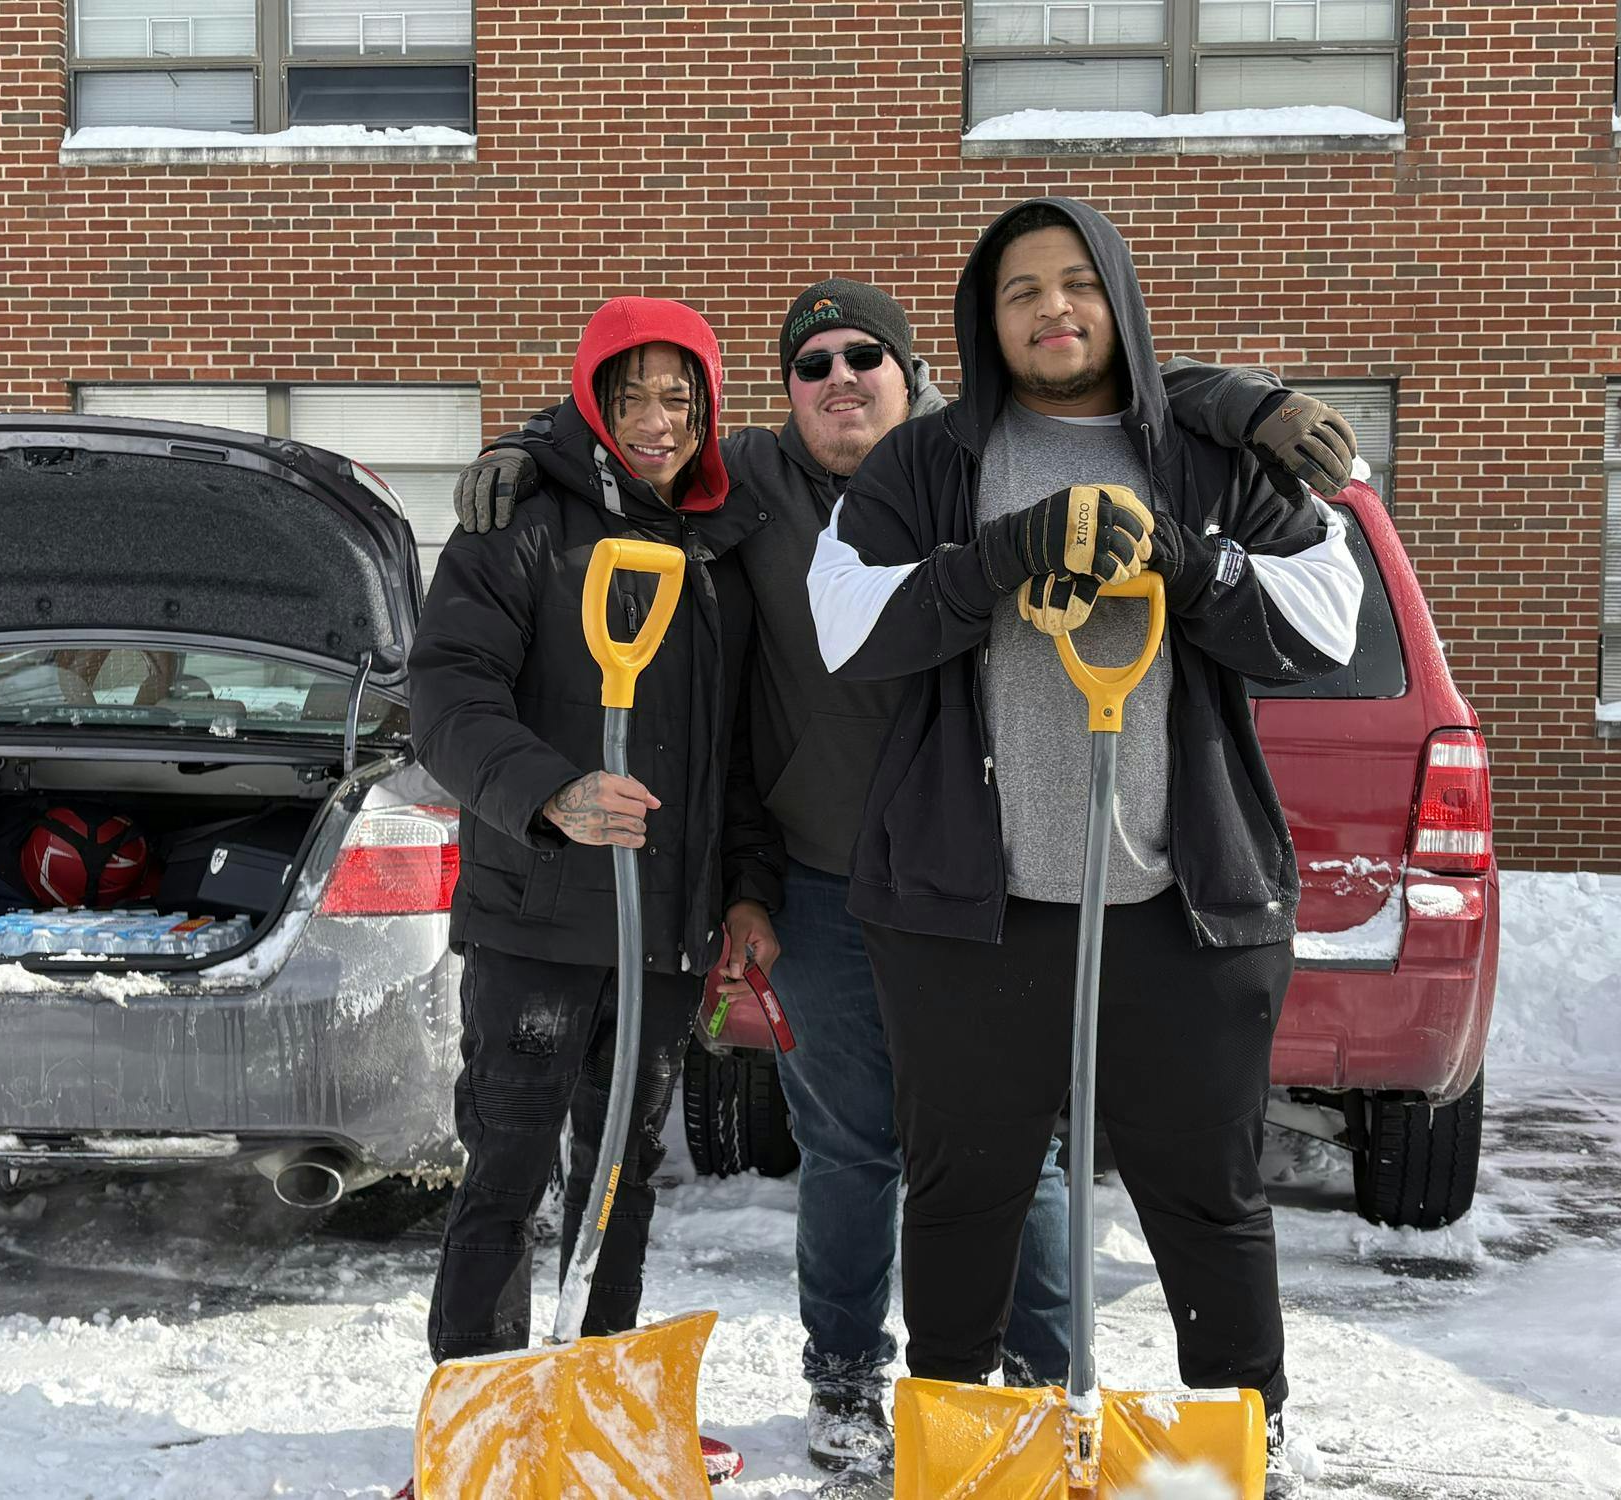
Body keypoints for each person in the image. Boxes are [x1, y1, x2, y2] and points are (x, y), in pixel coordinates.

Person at [453, 278, 1357, 1485]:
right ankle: (842, 1382)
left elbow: (1096, 387)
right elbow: (635, 447)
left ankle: (1039, 1387)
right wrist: (525, 453)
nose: (839, 379)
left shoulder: (971, 460)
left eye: (863, 357)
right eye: (810, 363)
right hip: (827, 880)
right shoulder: (756, 489)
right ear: (781, 397)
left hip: (981, 886)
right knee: (850, 1149)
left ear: (915, 372)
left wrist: (1239, 398)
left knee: (1013, 1156)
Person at [805, 198, 1365, 1497]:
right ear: (985, 324)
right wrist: (997, 556)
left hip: (1180, 896)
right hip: (970, 906)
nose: (1052, 309)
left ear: (1116, 298)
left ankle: (1241, 1433)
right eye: (1019, 293)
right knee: (963, 1189)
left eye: (1076, 284)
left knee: (1206, 1189)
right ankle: (951, 1432)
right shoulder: (930, 464)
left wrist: (1186, 557)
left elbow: (1325, 620)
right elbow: (850, 627)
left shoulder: (1208, 456)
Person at [409, 299, 782, 1393]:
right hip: (538, 908)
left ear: (709, 408)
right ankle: (476, 1398)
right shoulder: (520, 522)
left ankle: (594, 1398)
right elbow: (446, 698)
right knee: (509, 1167)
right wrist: (550, 793)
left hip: (663, 929)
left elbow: (741, 753)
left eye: (678, 397)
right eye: (627, 396)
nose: (655, 421)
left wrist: (747, 890)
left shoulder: (720, 548)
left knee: (622, 1173)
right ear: (586, 398)